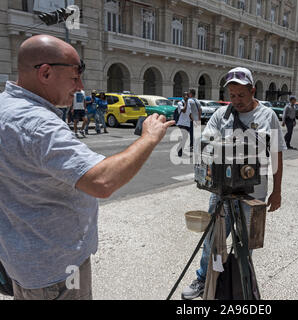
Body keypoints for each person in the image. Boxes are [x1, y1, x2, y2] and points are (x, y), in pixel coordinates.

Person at [0, 34, 174, 300]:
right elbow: (102, 181)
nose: (80, 86)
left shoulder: (6, 107)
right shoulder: (37, 123)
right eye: (74, 77)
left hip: (24, 260)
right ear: (45, 72)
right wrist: (149, 137)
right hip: (55, 270)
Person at [181, 67, 287, 300]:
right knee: (212, 241)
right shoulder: (221, 115)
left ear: (252, 90)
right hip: (222, 193)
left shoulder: (267, 116)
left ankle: (241, 286)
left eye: (241, 95)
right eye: (232, 95)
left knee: (245, 247)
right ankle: (204, 279)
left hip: (253, 195)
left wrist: (277, 191)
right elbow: (205, 142)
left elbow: (277, 154)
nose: (236, 100)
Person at [176, 92, 191, 157]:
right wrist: (186, 103)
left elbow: (189, 113)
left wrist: (194, 120)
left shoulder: (189, 104)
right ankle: (180, 152)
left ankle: (180, 149)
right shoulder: (180, 103)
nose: (187, 97)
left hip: (187, 123)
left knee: (186, 138)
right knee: (185, 137)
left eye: (188, 95)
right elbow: (184, 110)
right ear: (183, 96)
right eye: (185, 95)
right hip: (181, 123)